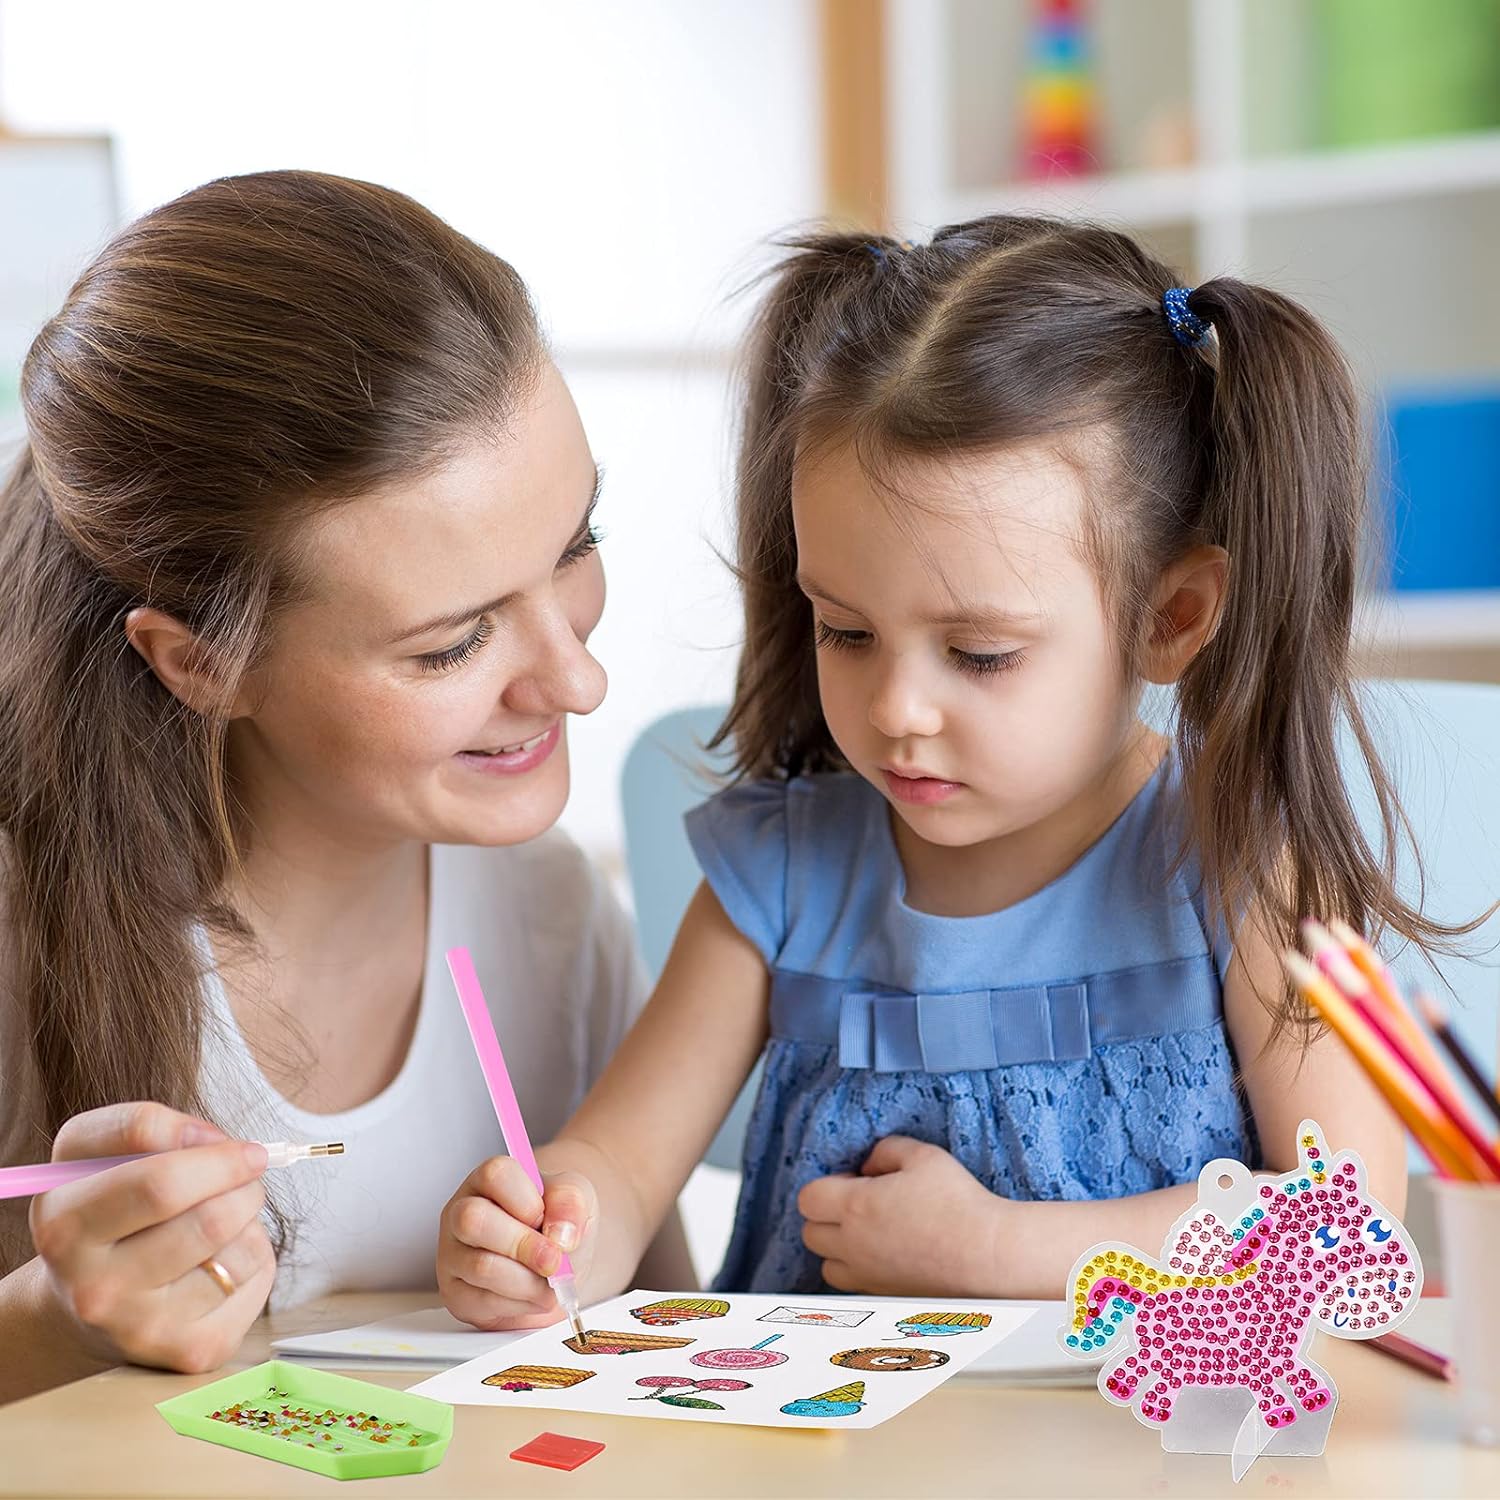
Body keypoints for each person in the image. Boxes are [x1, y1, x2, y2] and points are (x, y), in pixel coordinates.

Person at [438, 215, 1456, 1319]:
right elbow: (624, 1169)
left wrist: (997, 1250)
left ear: (1172, 617)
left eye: (980, 654)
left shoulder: (1233, 859)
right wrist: (549, 1232)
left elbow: (1347, 1229)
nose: (895, 710)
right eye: (845, 630)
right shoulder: (781, 878)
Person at [0, 169, 686, 1404]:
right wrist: (51, 1323)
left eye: (576, 545)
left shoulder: (550, 914)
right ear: (202, 661)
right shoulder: (24, 931)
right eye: (451, 644)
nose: (578, 680)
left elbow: (677, 1373)